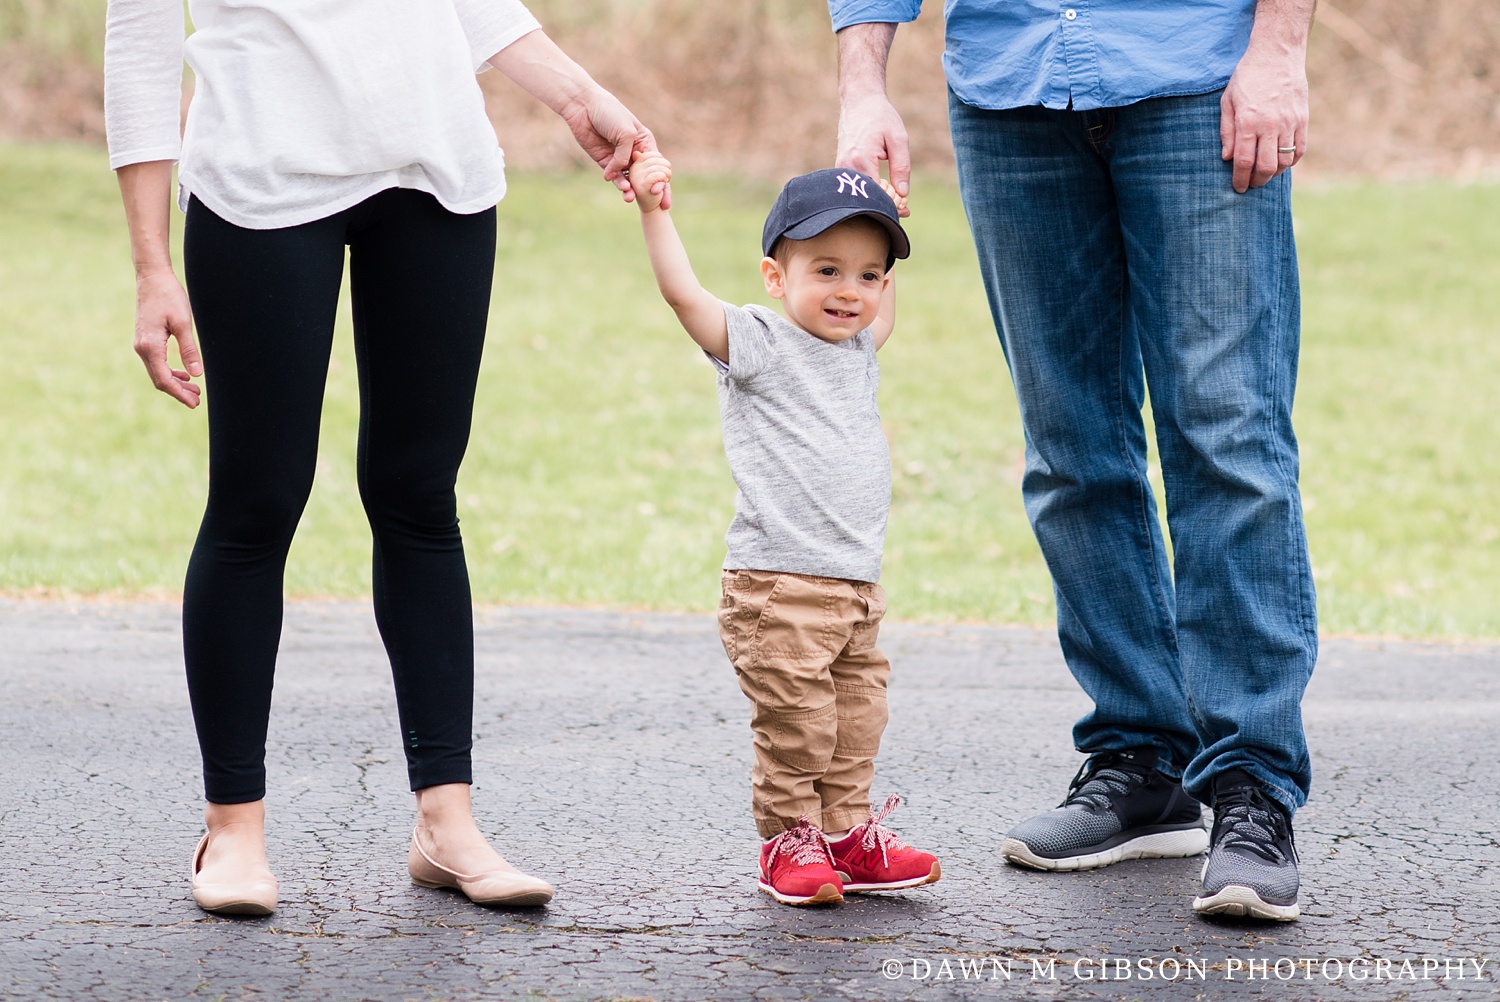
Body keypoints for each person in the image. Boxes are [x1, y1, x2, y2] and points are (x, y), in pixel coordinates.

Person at [104, 0, 660, 915]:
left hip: (433, 171)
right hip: (260, 178)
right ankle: (234, 828)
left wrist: (577, 95)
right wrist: (151, 265)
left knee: (417, 495)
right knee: (257, 500)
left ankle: (448, 821)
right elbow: (138, 54)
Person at [829, 0, 1319, 921]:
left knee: (1228, 440)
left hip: (1199, 73)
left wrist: (1279, 47)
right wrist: (863, 86)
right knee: (1069, 448)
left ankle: (1252, 787)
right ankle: (1142, 757)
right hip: (1009, 88)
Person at [626, 152, 941, 906]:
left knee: (857, 723)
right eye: (827, 270)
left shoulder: (859, 348)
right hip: (781, 587)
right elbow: (682, 295)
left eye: (868, 276)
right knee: (797, 729)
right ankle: (787, 845)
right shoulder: (760, 343)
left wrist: (891, 204)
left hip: (856, 590)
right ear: (776, 276)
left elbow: (881, 302)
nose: (849, 292)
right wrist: (654, 210)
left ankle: (847, 838)